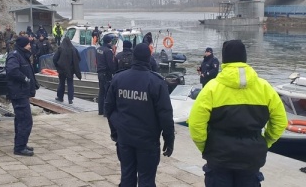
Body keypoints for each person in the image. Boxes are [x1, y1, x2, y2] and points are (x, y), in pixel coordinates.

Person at [189, 40, 288, 187]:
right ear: (245, 58)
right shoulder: (265, 88)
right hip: (251, 156)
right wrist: (265, 142)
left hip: (219, 156)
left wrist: (206, 147)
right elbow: (280, 121)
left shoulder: (211, 88)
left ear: (224, 60)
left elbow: (196, 124)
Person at [105, 43, 175, 187]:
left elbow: (109, 108)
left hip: (125, 138)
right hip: (147, 140)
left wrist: (115, 131)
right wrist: (169, 139)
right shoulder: (156, 82)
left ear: (133, 57)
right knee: (146, 180)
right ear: (149, 58)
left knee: (127, 177)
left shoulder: (119, 79)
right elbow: (165, 114)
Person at [5, 36, 40, 157]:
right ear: (23, 45)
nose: (30, 46)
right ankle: (19, 148)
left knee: (21, 120)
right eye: (28, 44)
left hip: (22, 92)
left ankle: (21, 144)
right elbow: (12, 70)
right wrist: (25, 79)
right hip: (18, 93)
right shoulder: (15, 55)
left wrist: (33, 83)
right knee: (25, 120)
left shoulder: (22, 55)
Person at [53, 37, 81, 104]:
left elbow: (54, 58)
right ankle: (70, 99)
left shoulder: (60, 49)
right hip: (70, 70)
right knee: (70, 84)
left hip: (62, 70)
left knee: (61, 83)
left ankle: (60, 97)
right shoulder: (73, 49)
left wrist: (57, 66)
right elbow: (78, 58)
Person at [96, 34, 115, 115]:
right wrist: (114, 72)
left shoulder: (98, 49)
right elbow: (110, 64)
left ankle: (100, 110)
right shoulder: (108, 51)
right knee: (107, 93)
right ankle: (105, 112)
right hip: (106, 74)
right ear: (109, 42)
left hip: (99, 72)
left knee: (101, 92)